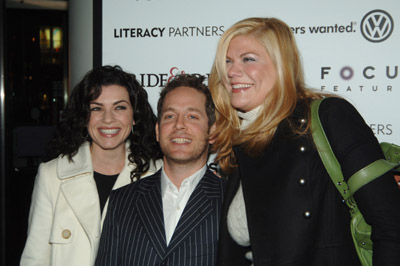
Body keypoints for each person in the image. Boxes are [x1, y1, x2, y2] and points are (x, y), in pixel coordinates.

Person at [208, 17, 400, 265]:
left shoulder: (330, 116)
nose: (231, 71)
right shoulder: (242, 143)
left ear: (281, 65)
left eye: (248, 59)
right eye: (227, 62)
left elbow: (391, 225)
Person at [20, 65, 162, 266]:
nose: (108, 119)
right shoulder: (52, 176)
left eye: (119, 107)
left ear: (135, 115)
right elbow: (35, 259)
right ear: (84, 117)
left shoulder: (156, 174)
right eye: (97, 108)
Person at [95, 74, 225, 266]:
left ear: (212, 132)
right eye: (170, 116)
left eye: (192, 116)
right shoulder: (122, 201)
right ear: (157, 130)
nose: (179, 125)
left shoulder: (230, 201)